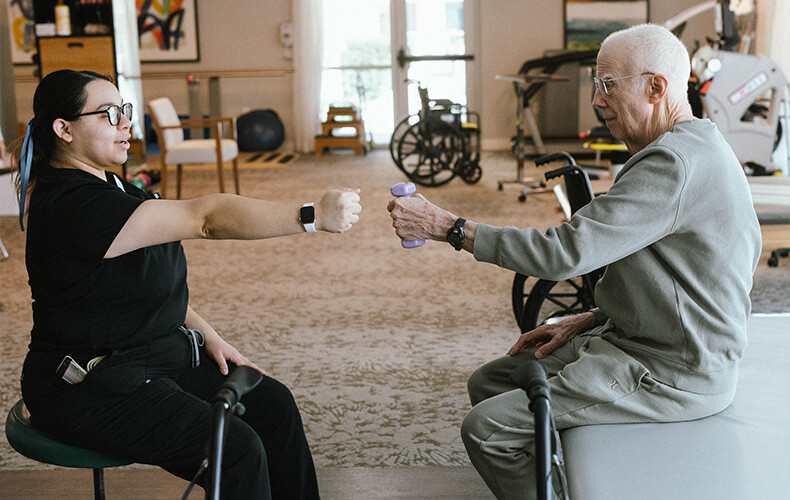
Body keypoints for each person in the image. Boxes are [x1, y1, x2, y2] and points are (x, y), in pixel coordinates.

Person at [388, 24, 761, 500]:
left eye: (608, 85)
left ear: (656, 87)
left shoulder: (675, 164)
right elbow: (694, 272)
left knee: (485, 429)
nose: (597, 101)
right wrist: (594, 316)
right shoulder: (691, 145)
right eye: (596, 83)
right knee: (492, 380)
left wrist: (449, 227)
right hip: (635, 339)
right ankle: (559, 475)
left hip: (673, 373)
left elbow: (563, 253)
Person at [16, 69, 362, 500]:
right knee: (236, 449)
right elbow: (208, 219)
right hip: (86, 384)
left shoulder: (114, 184)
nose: (126, 122)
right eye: (109, 114)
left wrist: (208, 335)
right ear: (63, 129)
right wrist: (311, 216)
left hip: (149, 355)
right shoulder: (73, 205)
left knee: (273, 406)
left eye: (124, 110)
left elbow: (144, 286)